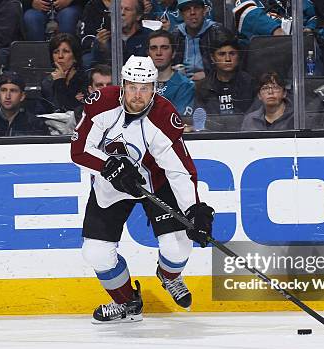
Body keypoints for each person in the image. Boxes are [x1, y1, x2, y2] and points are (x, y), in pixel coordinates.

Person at [71, 55, 214, 323]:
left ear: (154, 88)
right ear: (123, 85)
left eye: (145, 87)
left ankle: (169, 276)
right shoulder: (100, 103)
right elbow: (79, 151)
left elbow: (179, 170)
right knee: (95, 252)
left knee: (178, 247)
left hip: (155, 183)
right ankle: (127, 302)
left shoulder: (163, 116)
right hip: (111, 185)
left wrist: (195, 209)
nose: (138, 94)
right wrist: (109, 167)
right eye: (133, 87)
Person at [0, 71, 49, 136]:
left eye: (13, 91)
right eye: (3, 90)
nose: (7, 96)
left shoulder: (37, 126)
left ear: (22, 96)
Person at [194, 34, 254, 114]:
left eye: (232, 53)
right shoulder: (202, 87)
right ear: (212, 58)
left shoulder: (250, 83)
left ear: (238, 56)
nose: (228, 59)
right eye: (222, 54)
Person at [171, 0, 230, 82]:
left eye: (196, 8)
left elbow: (230, 64)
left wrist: (208, 74)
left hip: (212, 83)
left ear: (204, 10)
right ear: (181, 14)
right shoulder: (175, 34)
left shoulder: (218, 32)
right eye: (187, 9)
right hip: (182, 84)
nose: (192, 12)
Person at [147, 29, 194, 116]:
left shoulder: (185, 85)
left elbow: (178, 119)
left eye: (164, 48)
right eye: (153, 48)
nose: (158, 53)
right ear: (148, 53)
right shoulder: (139, 83)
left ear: (173, 53)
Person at [90, 0, 151, 66]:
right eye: (119, 9)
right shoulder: (103, 37)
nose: (122, 13)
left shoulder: (149, 37)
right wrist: (102, 49)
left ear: (138, 16)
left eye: (127, 9)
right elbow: (95, 68)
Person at [41, 33, 86, 113]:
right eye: (56, 52)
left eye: (66, 51)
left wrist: (60, 82)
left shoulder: (85, 79)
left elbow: (73, 110)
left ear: (75, 57)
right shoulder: (47, 82)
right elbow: (57, 110)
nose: (60, 56)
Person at [232, 0, 317, 42]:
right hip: (261, 56)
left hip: (296, 53)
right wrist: (276, 30)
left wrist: (308, 28)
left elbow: (311, 16)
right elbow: (246, 13)